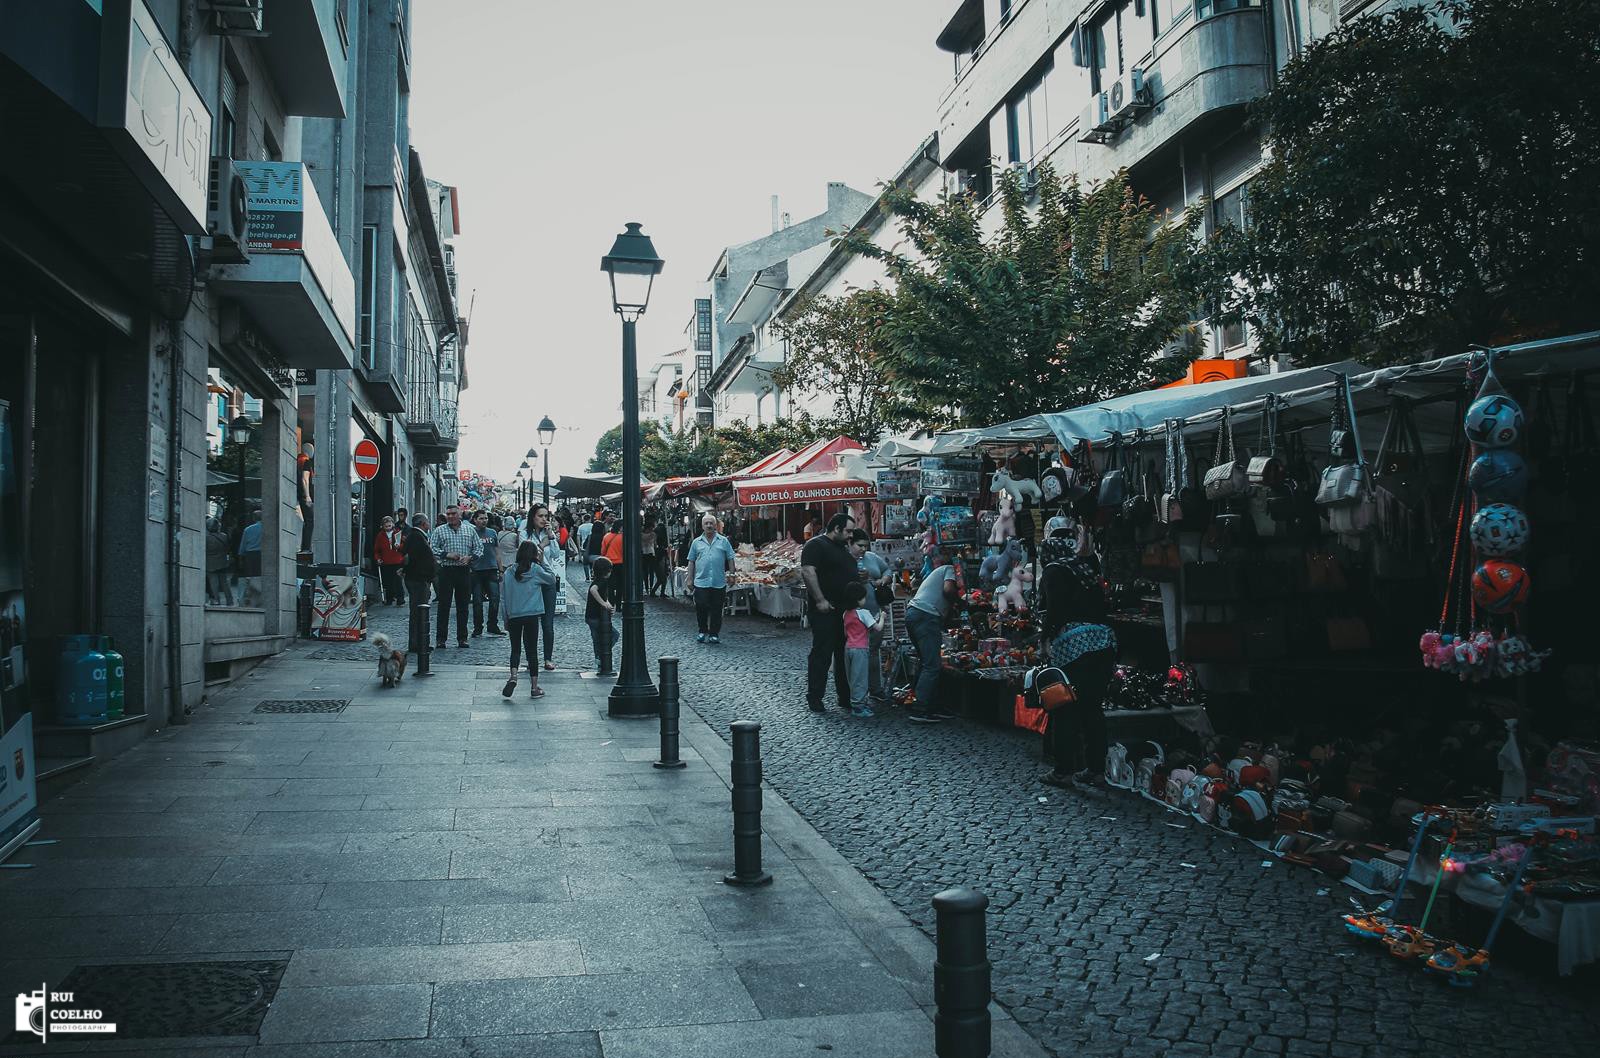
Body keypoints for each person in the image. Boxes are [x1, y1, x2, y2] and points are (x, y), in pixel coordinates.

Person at [1040, 555, 1117, 788]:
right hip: (1103, 640)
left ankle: (1064, 770)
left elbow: (1054, 608)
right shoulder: (1084, 570)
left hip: (1075, 644)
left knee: (1065, 706)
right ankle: (1096, 770)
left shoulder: (1054, 570)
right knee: (1092, 708)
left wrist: (1045, 637)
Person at [800, 513, 857, 712]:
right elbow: (808, 571)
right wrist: (820, 600)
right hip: (826, 609)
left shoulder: (842, 548)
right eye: (848, 531)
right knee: (822, 653)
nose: (850, 535)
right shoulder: (816, 545)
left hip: (844, 611)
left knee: (843, 655)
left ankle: (844, 696)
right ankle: (815, 696)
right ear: (837, 529)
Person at [904, 555, 963, 724]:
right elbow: (948, 591)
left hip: (915, 614)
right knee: (932, 665)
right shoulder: (949, 570)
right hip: (925, 616)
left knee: (927, 662)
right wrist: (959, 603)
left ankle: (933, 705)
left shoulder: (936, 573)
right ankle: (921, 708)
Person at [500, 540, 556, 700]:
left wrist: (506, 617)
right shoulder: (536, 570)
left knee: (515, 648)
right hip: (531, 614)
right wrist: (543, 559)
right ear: (534, 554)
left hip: (514, 615)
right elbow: (552, 579)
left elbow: (504, 598)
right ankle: (534, 687)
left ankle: (513, 676)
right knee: (532, 651)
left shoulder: (509, 572)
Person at [428, 505, 481, 648]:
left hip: (463, 571)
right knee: (444, 605)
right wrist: (447, 554)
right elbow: (432, 547)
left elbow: (479, 548)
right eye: (448, 514)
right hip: (446, 570)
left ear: (459, 515)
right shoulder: (440, 530)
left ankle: (462, 638)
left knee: (463, 605)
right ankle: (441, 639)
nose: (450, 516)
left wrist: (470, 557)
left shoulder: (469, 530)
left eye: (453, 514)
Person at [850, 529, 892, 704]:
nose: (862, 549)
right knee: (856, 655)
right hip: (855, 617)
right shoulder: (845, 561)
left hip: (874, 613)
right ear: (850, 545)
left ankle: (875, 688)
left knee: (873, 652)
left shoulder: (872, 557)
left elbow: (887, 570)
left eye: (865, 546)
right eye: (859, 546)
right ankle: (856, 692)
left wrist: (883, 580)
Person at [520, 505, 563, 671]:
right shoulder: (525, 534)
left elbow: (555, 555)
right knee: (530, 621)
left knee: (548, 622)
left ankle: (548, 658)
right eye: (540, 516)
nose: (544, 519)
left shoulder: (548, 534)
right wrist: (543, 543)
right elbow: (529, 554)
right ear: (533, 518)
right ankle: (531, 658)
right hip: (530, 581)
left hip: (547, 580)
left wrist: (551, 537)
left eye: (546, 516)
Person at [685, 513, 736, 643]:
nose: (709, 525)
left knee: (717, 608)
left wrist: (732, 574)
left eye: (711, 523)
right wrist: (689, 578)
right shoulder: (696, 543)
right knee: (701, 606)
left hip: (718, 581)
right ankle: (702, 630)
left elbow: (730, 558)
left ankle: (714, 633)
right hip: (701, 581)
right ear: (702, 526)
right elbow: (691, 561)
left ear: (715, 525)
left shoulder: (723, 541)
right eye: (706, 523)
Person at [841, 581, 881, 718]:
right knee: (861, 678)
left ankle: (857, 702)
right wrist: (883, 617)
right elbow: (878, 628)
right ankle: (858, 707)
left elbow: (846, 633)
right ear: (858, 599)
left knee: (852, 677)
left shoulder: (846, 613)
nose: (865, 600)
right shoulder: (864, 613)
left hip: (848, 648)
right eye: (863, 597)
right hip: (860, 649)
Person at [402, 514, 436, 649]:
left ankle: (418, 642)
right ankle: (417, 644)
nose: (429, 524)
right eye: (427, 522)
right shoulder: (416, 536)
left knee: (419, 611)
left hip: (418, 578)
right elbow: (414, 558)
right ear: (423, 523)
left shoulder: (416, 536)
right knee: (418, 612)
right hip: (418, 579)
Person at [469, 511, 505, 637]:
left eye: (485, 518)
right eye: (481, 518)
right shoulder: (470, 532)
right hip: (476, 570)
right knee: (477, 601)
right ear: (475, 520)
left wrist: (501, 570)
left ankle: (492, 625)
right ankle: (478, 627)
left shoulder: (492, 532)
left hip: (491, 569)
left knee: (495, 598)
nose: (484, 520)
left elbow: (497, 552)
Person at [586, 556, 617, 676]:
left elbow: (604, 596)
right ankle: (601, 655)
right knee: (613, 635)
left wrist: (608, 606)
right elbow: (593, 590)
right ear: (607, 571)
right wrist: (604, 604)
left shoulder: (598, 580)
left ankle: (599, 660)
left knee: (597, 639)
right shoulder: (602, 581)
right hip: (596, 616)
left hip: (591, 616)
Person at [374, 515, 408, 606]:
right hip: (386, 561)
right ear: (383, 526)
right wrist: (378, 558)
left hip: (397, 560)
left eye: (389, 526)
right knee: (388, 581)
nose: (388, 528)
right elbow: (377, 550)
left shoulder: (398, 533)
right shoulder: (380, 535)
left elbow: (404, 546)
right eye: (386, 526)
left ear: (392, 525)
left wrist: (399, 546)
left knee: (398, 580)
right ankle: (389, 599)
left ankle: (400, 599)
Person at [236, 507, 264, 606]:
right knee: (261, 575)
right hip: (262, 553)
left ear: (254, 518)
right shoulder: (266, 529)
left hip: (250, 554)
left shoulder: (248, 529)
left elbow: (243, 545)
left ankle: (252, 596)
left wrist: (241, 557)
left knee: (251, 576)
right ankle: (260, 595)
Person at [206, 517, 233, 606]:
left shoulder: (206, 538)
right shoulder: (224, 536)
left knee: (214, 583)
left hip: (211, 563)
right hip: (222, 562)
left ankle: (216, 600)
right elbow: (227, 548)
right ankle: (230, 601)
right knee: (224, 583)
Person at [601, 519, 625, 606]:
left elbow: (603, 551)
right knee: (620, 585)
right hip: (620, 563)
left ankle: (611, 603)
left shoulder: (606, 537)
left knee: (610, 585)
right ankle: (619, 605)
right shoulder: (623, 538)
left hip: (608, 563)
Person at [640, 518, 658, 597]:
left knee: (645, 572)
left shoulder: (640, 534)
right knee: (650, 572)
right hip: (650, 553)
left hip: (644, 553)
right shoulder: (653, 534)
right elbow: (655, 544)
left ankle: (647, 588)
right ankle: (650, 587)